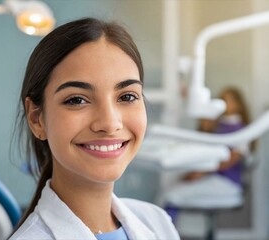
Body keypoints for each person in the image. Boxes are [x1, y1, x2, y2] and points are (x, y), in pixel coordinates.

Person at [10, 18, 179, 239]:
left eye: (127, 96)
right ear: (36, 119)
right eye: (77, 100)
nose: (109, 123)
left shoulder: (156, 222)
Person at [164, 87, 252, 221]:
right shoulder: (219, 125)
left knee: (172, 195)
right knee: (170, 191)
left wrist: (201, 173)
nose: (223, 103)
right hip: (211, 177)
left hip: (226, 182)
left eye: (227, 100)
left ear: (238, 104)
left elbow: (229, 161)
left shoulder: (242, 131)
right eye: (221, 99)